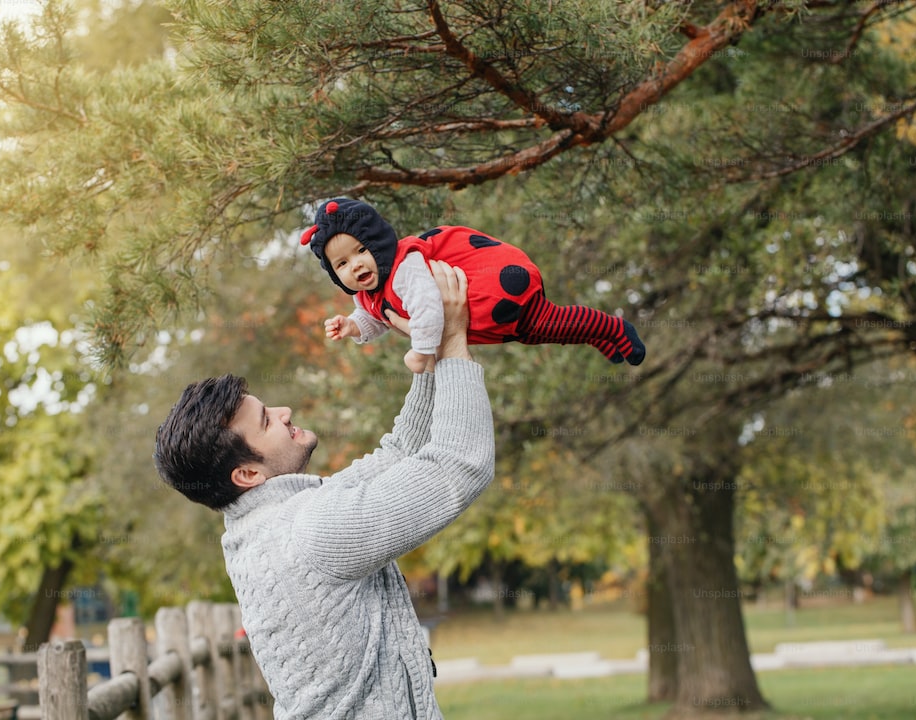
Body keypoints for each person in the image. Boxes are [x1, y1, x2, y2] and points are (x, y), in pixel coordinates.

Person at [153, 260, 493, 720]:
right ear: (247, 474)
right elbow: (460, 465)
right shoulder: (310, 530)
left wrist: (429, 356)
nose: (286, 411)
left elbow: (397, 454)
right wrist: (454, 341)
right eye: (266, 421)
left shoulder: (267, 524)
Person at [301, 198, 646, 372]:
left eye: (361, 250)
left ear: (376, 244)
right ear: (334, 273)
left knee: (546, 321)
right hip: (493, 317)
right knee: (547, 329)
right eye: (342, 264)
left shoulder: (405, 269)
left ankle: (613, 327)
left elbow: (429, 310)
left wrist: (421, 353)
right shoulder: (368, 295)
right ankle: (600, 335)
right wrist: (351, 325)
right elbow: (379, 319)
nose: (356, 264)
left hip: (496, 290)